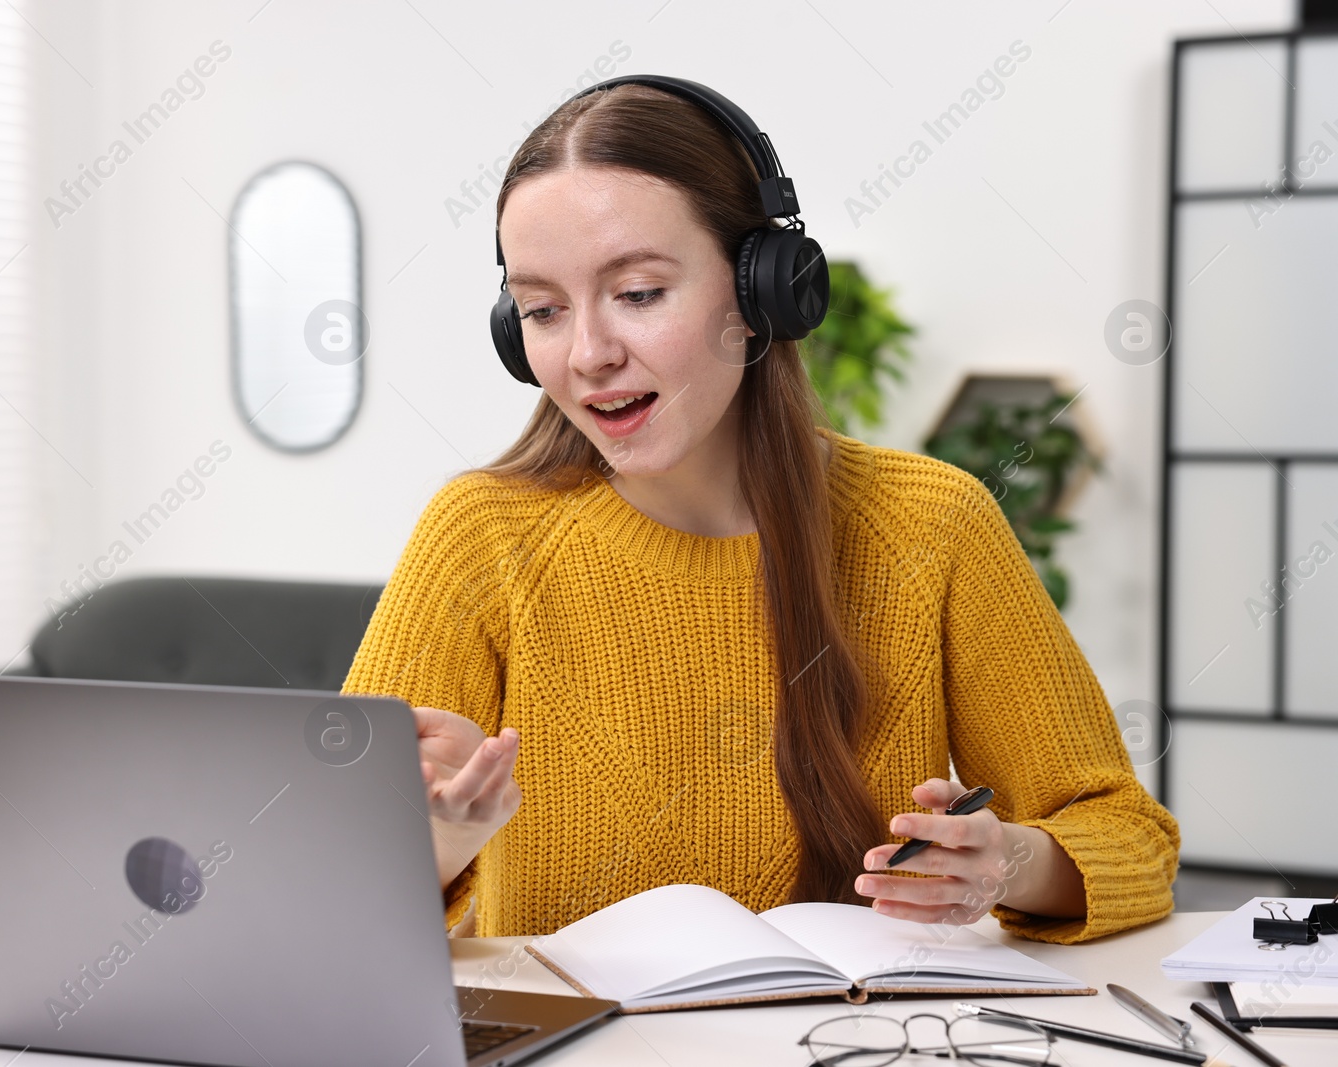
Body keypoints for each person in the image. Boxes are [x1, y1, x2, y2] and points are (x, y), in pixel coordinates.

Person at [340, 80, 1178, 943]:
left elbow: (1129, 837)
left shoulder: (934, 524)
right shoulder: (481, 535)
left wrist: (1006, 860)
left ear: (762, 294)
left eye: (637, 293)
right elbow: (322, 887)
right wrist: (440, 845)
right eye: (544, 310)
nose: (587, 353)